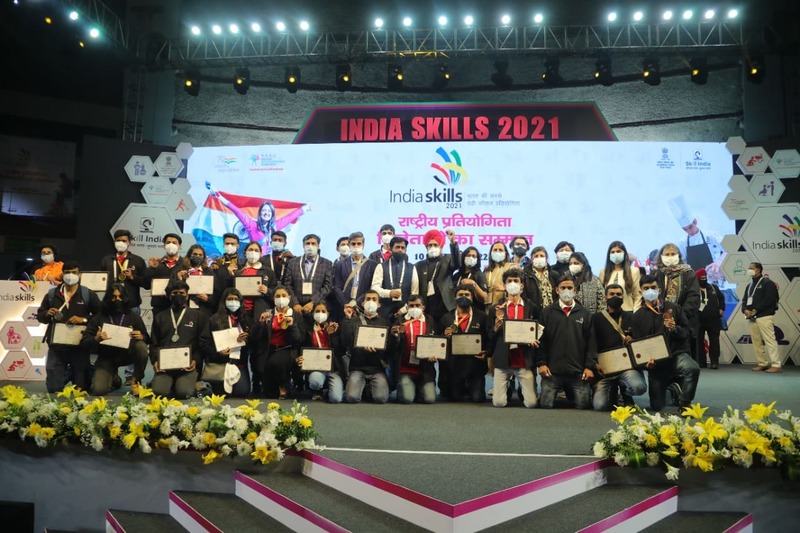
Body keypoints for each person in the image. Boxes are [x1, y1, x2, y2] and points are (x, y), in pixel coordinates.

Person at [632, 275, 700, 411]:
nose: (650, 291)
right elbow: (638, 345)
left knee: (692, 368)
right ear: (641, 291)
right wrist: (646, 364)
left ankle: (685, 403)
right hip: (656, 364)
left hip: (676, 355)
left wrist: (675, 329)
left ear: (659, 290)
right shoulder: (637, 316)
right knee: (657, 406)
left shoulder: (674, 308)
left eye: (653, 287)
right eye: (646, 288)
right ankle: (672, 389)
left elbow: (688, 332)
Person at [37, 261, 102, 393]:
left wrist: (83, 319)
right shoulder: (52, 295)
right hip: (57, 346)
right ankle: (64, 374)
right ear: (62, 274)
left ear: (80, 274)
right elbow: (40, 317)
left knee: (82, 388)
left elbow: (100, 316)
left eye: (74, 272)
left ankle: (83, 371)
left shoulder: (88, 294)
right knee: (54, 388)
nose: (70, 275)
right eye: (67, 272)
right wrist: (46, 314)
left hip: (79, 346)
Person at [537, 274, 597, 409]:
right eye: (563, 287)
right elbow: (541, 341)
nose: (566, 291)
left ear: (575, 290)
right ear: (557, 290)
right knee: (545, 405)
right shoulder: (546, 313)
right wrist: (541, 363)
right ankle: (562, 391)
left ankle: (570, 392)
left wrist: (589, 367)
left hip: (577, 373)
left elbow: (591, 343)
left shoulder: (585, 314)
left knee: (584, 406)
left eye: (569, 288)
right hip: (552, 372)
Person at [149, 280, 213, 399]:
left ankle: (186, 384)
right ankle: (170, 383)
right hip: (165, 366)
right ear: (169, 296)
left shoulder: (198, 316)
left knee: (184, 393)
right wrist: (155, 361)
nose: (178, 295)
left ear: (187, 295)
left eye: (182, 293)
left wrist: (195, 360)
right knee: (159, 392)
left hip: (187, 366)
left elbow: (202, 343)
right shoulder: (160, 317)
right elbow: (154, 343)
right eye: (175, 293)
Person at [81, 284, 149, 395]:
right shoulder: (99, 317)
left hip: (127, 354)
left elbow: (147, 338)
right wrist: (96, 339)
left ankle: (136, 379)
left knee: (141, 347)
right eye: (113, 297)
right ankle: (114, 379)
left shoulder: (133, 316)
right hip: (106, 356)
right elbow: (84, 342)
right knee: (98, 390)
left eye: (120, 297)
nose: (117, 300)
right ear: (108, 298)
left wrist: (142, 336)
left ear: (125, 298)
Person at [487, 268, 540, 408]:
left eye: (516, 281)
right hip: (503, 359)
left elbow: (538, 329)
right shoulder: (495, 309)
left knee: (531, 404)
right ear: (504, 285)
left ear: (522, 285)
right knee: (499, 403)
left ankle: (520, 388)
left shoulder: (532, 308)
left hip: (523, 358)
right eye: (509, 281)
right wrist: (495, 328)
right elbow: (489, 336)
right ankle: (508, 387)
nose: (512, 284)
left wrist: (534, 338)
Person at [592, 284, 647, 410]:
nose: (615, 297)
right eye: (612, 294)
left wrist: (633, 340)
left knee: (639, 387)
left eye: (618, 294)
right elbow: (590, 343)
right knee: (600, 406)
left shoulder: (632, 317)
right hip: (605, 369)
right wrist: (593, 364)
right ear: (605, 297)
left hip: (626, 367)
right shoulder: (596, 318)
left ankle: (625, 393)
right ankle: (612, 392)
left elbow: (641, 342)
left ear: (623, 297)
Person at [341, 290, 394, 404]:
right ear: (363, 303)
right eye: (368, 299)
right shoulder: (353, 321)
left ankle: (368, 388)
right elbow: (345, 342)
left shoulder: (385, 323)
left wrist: (379, 350)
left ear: (379, 304)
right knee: (351, 398)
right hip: (357, 368)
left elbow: (390, 348)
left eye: (374, 299)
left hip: (377, 369)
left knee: (381, 399)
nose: (371, 302)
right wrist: (347, 319)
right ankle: (363, 387)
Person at [440, 283, 489, 403]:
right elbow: (439, 342)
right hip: (455, 366)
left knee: (477, 399)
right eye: (460, 294)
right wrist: (445, 336)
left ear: (472, 298)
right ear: (455, 298)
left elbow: (488, 338)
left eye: (467, 295)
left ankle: (471, 386)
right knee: (454, 398)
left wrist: (487, 352)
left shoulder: (482, 317)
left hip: (475, 364)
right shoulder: (446, 318)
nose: (463, 297)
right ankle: (461, 386)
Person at [652, 243, 701, 362]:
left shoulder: (688, 273)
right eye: (667, 254)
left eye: (673, 254)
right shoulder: (656, 274)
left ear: (678, 255)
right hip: (661, 323)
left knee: (685, 361)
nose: (670, 257)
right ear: (661, 257)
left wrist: (679, 316)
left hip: (684, 323)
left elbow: (693, 298)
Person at [251, 285, 302, 398]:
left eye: (284, 295)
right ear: (273, 298)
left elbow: (298, 340)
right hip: (268, 349)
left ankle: (284, 384)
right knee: (270, 394)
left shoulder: (296, 315)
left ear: (289, 297)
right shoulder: (268, 314)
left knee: (275, 362)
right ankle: (276, 384)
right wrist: (260, 323)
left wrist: (292, 325)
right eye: (277, 296)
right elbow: (254, 336)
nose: (281, 298)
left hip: (287, 349)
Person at [390, 294, 437, 404]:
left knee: (429, 399)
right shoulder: (399, 321)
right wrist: (395, 336)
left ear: (423, 307)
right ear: (407, 307)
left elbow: (436, 342)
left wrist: (435, 354)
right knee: (407, 399)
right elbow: (392, 348)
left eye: (417, 305)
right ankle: (409, 388)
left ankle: (417, 388)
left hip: (425, 370)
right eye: (411, 306)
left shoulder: (430, 321)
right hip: (405, 370)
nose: (414, 308)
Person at [207, 182, 276, 255]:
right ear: (260, 213)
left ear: (272, 214)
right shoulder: (252, 225)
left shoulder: (274, 227)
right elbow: (236, 211)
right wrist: (219, 196)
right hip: (254, 259)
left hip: (269, 260)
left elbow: (285, 219)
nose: (266, 213)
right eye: (264, 210)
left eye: (269, 211)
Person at [668, 196, 726, 282]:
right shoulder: (683, 242)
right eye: (685, 229)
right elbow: (681, 261)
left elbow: (728, 249)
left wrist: (719, 262)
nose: (689, 231)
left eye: (690, 227)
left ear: (695, 221)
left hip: (712, 278)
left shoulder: (709, 235)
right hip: (694, 281)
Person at [207, 288, 252, 397]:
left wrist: (247, 339)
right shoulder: (214, 320)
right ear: (224, 301)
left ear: (240, 302)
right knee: (221, 394)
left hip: (239, 363)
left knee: (242, 392)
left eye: (236, 299)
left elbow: (254, 343)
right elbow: (205, 343)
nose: (233, 302)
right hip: (220, 364)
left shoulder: (245, 320)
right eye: (230, 299)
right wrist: (218, 352)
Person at [300, 301, 344, 403]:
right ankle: (317, 390)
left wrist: (332, 335)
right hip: (316, 368)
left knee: (336, 399)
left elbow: (341, 351)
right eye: (317, 311)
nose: (320, 313)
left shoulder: (334, 328)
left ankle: (329, 389)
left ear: (328, 314)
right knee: (315, 381)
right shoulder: (308, 330)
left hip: (333, 369)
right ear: (313, 313)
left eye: (323, 311)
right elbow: (304, 349)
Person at [742, 262, 782, 373]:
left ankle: (776, 364)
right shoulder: (749, 285)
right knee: (756, 341)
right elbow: (744, 300)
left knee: (770, 340)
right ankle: (762, 363)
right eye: (749, 268)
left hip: (764, 316)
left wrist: (756, 310)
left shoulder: (768, 283)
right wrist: (745, 310)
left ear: (758, 270)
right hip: (752, 317)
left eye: (751, 268)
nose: (749, 270)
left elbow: (770, 299)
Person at [284, 234, 334, 319]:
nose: (310, 246)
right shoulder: (293, 262)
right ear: (303, 245)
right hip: (296, 307)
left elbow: (327, 286)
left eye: (313, 243)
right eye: (307, 243)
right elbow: (287, 285)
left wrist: (313, 302)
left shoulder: (327, 264)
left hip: (316, 307)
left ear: (318, 246)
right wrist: (295, 303)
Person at [415, 229, 458, 322]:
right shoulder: (419, 265)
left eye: (435, 245)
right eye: (430, 245)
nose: (432, 247)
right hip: (426, 308)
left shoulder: (448, 259)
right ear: (426, 247)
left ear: (441, 246)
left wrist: (453, 243)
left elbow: (457, 263)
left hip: (445, 306)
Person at [371, 236, 419, 319]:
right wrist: (389, 293)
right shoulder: (381, 266)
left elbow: (415, 293)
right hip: (384, 312)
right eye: (397, 247)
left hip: (405, 313)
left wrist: (404, 309)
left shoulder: (412, 267)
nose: (400, 250)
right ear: (391, 249)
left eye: (402, 248)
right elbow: (374, 288)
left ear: (406, 250)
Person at [99, 230, 147, 311]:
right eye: (118, 240)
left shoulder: (138, 260)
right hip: (111, 304)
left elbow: (146, 284)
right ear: (114, 242)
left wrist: (132, 277)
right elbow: (101, 280)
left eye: (124, 241)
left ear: (129, 243)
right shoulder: (106, 260)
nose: (120, 243)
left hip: (131, 305)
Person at [144, 233, 184, 317]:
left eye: (174, 243)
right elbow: (146, 285)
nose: (171, 245)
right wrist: (151, 268)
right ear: (164, 246)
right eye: (168, 242)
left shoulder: (185, 265)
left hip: (178, 306)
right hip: (159, 306)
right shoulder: (157, 264)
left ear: (180, 246)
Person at [235, 241, 278, 320]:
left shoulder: (268, 271)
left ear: (261, 254)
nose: (253, 252)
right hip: (240, 310)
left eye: (256, 250)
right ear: (245, 253)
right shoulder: (238, 270)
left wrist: (267, 291)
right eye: (250, 250)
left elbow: (276, 293)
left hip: (260, 312)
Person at [174, 244, 217, 316]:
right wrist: (179, 279)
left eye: (200, 255)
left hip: (204, 310)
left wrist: (208, 299)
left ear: (204, 257)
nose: (197, 256)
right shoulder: (180, 270)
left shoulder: (209, 272)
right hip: (184, 309)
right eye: (195, 254)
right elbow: (170, 289)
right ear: (189, 255)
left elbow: (217, 291)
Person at [599, 241, 642, 312]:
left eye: (618, 251)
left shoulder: (634, 271)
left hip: (628, 312)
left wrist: (635, 314)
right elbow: (601, 295)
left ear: (624, 253)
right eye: (612, 252)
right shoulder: (603, 272)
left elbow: (637, 295)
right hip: (609, 313)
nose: (615, 254)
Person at [695, 268, 725, 369]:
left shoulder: (713, 288)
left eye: (705, 278)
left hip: (713, 320)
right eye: (701, 278)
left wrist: (721, 308)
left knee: (714, 341)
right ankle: (701, 362)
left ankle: (714, 362)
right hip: (698, 320)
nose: (703, 280)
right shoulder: (693, 290)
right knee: (699, 341)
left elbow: (721, 298)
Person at [522, 246, 558, 310]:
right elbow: (524, 296)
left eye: (542, 256)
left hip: (552, 311)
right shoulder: (525, 275)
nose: (539, 258)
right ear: (531, 259)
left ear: (546, 258)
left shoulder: (554, 274)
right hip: (533, 311)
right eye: (536, 256)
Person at [484, 241, 512, 310]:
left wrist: (506, 288)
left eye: (500, 250)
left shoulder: (512, 267)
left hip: (506, 307)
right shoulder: (486, 270)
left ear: (505, 253)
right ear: (491, 253)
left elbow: (520, 288)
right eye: (495, 250)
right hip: (488, 308)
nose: (498, 252)